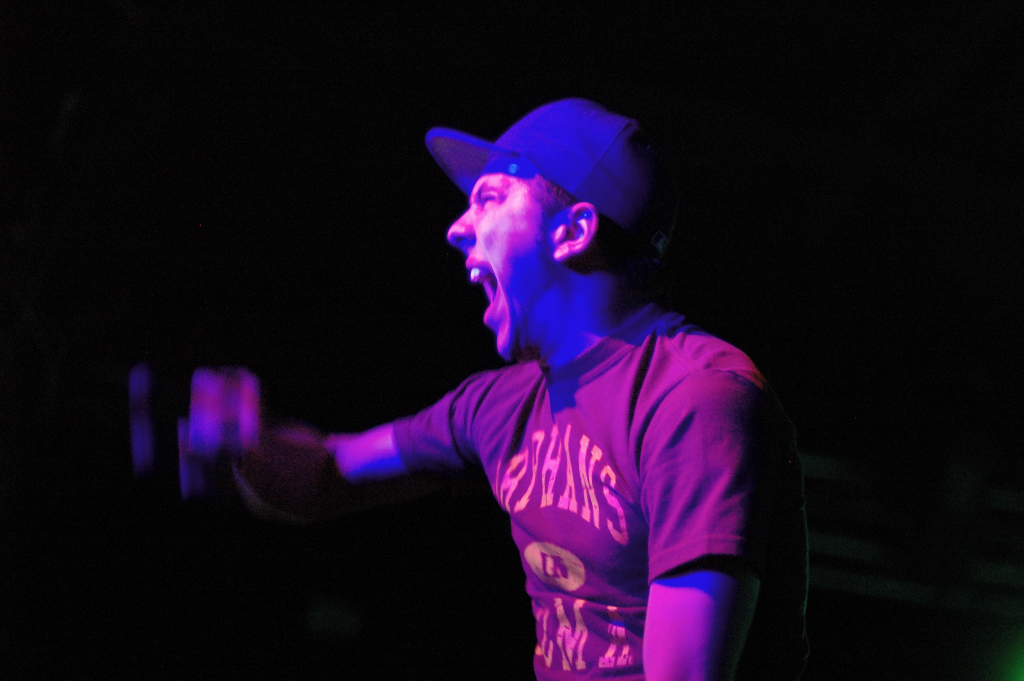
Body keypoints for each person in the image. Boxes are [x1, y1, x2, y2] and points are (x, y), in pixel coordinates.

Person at [186, 99, 808, 680]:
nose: (458, 228)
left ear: (573, 232)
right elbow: (329, 474)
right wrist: (246, 445)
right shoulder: (499, 405)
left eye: (489, 198)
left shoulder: (696, 400)